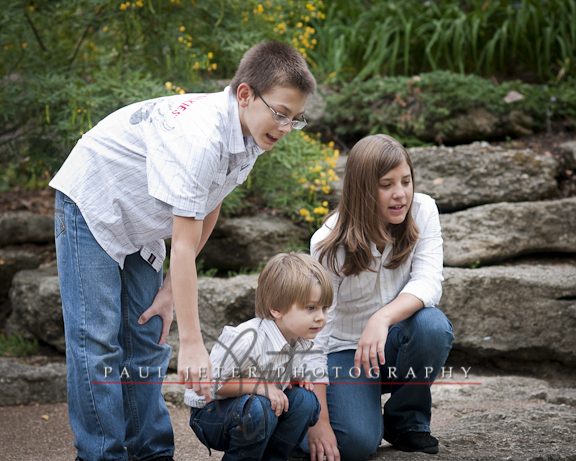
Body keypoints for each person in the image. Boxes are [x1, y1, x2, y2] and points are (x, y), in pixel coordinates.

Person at [50, 41, 316, 461]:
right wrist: (191, 341)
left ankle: (151, 452)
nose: (285, 127)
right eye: (280, 113)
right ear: (245, 94)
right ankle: (102, 455)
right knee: (97, 341)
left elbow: (211, 204)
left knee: (146, 332)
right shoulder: (202, 137)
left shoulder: (251, 133)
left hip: (140, 218)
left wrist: (170, 292)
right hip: (94, 201)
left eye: (295, 119)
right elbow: (186, 247)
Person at [301, 134, 454, 460]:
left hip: (393, 341)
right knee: (355, 445)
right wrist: (320, 420)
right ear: (363, 189)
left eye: (406, 181)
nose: (400, 194)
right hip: (343, 353)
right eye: (386, 185)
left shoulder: (423, 210)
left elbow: (429, 282)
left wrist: (382, 318)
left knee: (432, 326)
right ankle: (293, 424)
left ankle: (406, 422)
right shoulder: (328, 244)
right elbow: (315, 333)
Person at [186, 252, 333, 461]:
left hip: (253, 408)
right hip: (211, 413)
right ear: (276, 309)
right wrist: (262, 386)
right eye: (310, 308)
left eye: (324, 308)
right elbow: (212, 384)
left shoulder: (300, 339)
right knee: (259, 407)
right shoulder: (247, 340)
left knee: (306, 400)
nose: (320, 317)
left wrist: (289, 378)